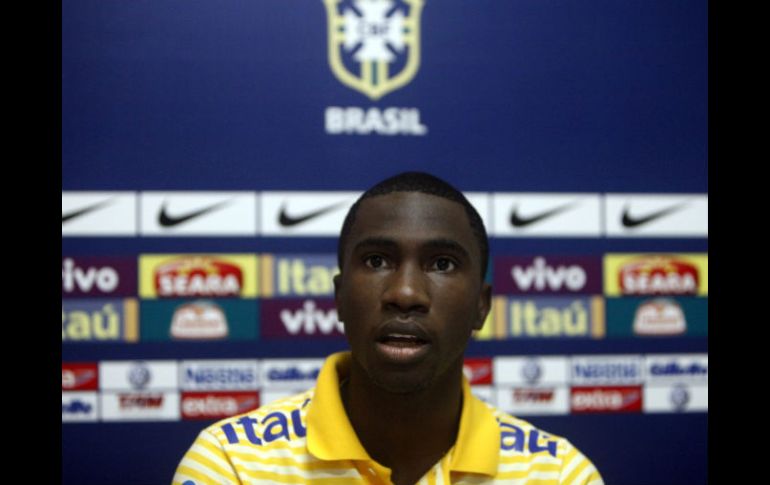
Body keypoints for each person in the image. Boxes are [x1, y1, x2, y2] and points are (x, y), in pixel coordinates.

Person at [172, 172, 604, 485]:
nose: (405, 292)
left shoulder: (558, 474)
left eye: (442, 264)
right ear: (340, 297)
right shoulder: (230, 464)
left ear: (480, 306)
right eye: (377, 260)